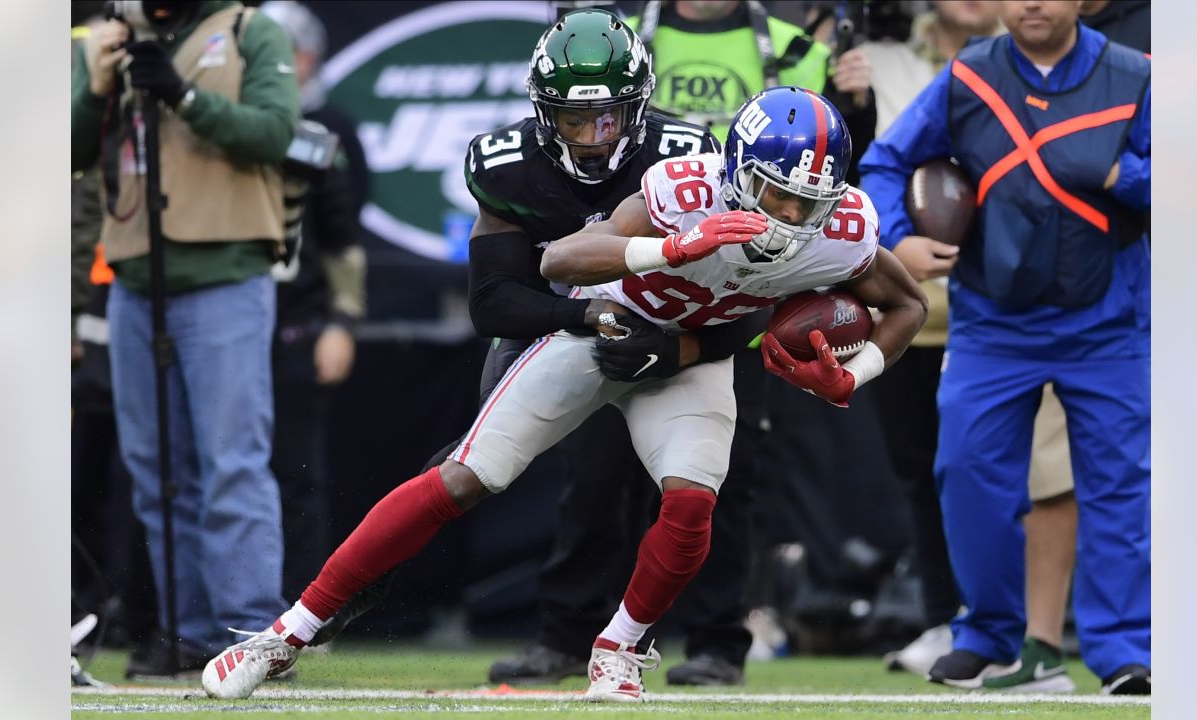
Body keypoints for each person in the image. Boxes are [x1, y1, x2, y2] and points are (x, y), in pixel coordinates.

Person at [200, 85, 927, 703]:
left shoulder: (845, 230)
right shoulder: (687, 189)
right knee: (465, 477)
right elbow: (561, 257)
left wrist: (853, 376)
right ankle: (285, 634)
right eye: (776, 196)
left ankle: (619, 647)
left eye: (810, 202)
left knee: (693, 499)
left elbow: (907, 307)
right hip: (603, 330)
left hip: (691, 359)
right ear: (738, 173)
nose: (792, 220)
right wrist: (674, 248)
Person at [305, 9, 765, 675]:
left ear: (638, 107)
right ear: (541, 111)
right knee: (484, 468)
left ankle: (700, 643)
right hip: (569, 325)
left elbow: (746, 297)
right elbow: (494, 303)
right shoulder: (509, 166)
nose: (591, 136)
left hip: (678, 330)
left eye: (607, 116)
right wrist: (589, 320)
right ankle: (544, 633)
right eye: (574, 119)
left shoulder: (690, 159)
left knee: (704, 485)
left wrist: (676, 350)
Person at [486, 0, 864, 687]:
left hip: (746, 282)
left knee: (722, 478)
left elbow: (835, 154)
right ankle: (570, 633)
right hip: (655, 257)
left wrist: (859, 103)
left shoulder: (792, 44)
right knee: (594, 475)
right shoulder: (632, 37)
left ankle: (719, 641)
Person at [859, 0, 1151, 695]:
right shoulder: (969, 75)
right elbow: (884, 162)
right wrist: (897, 237)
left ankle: (1123, 653)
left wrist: (1119, 176)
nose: (1032, 2)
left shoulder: (1136, 76)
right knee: (965, 474)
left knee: (1120, 491)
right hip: (993, 325)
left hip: (1109, 325)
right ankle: (989, 638)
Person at [71, 1, 299, 674]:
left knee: (231, 461)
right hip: (137, 275)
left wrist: (186, 96)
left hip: (227, 268)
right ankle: (188, 629)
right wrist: (96, 87)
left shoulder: (249, 29)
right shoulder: (112, 41)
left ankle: (251, 634)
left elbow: (276, 132)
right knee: (155, 471)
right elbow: (69, 154)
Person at [259, 0, 369, 603]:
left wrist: (342, 319)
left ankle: (300, 608)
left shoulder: (321, 133)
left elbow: (345, 231)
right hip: (218, 307)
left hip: (294, 318)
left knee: (298, 470)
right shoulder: (219, 123)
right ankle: (169, 613)